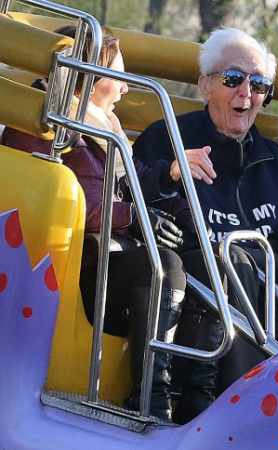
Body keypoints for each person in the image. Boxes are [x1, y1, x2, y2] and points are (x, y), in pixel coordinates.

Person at [133, 28, 278, 423]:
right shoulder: (167, 136)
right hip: (196, 278)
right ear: (205, 86)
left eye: (258, 84)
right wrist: (170, 175)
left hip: (264, 287)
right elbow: (132, 194)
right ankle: (228, 407)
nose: (246, 93)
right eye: (233, 79)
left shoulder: (276, 163)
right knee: (231, 260)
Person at [1, 26, 192, 421]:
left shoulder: (104, 129)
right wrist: (136, 216)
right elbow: (69, 200)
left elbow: (133, 180)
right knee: (160, 269)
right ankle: (152, 397)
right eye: (117, 78)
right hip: (69, 261)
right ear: (88, 76)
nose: (125, 90)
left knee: (189, 261)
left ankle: (194, 390)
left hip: (104, 250)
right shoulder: (43, 125)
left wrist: (170, 179)